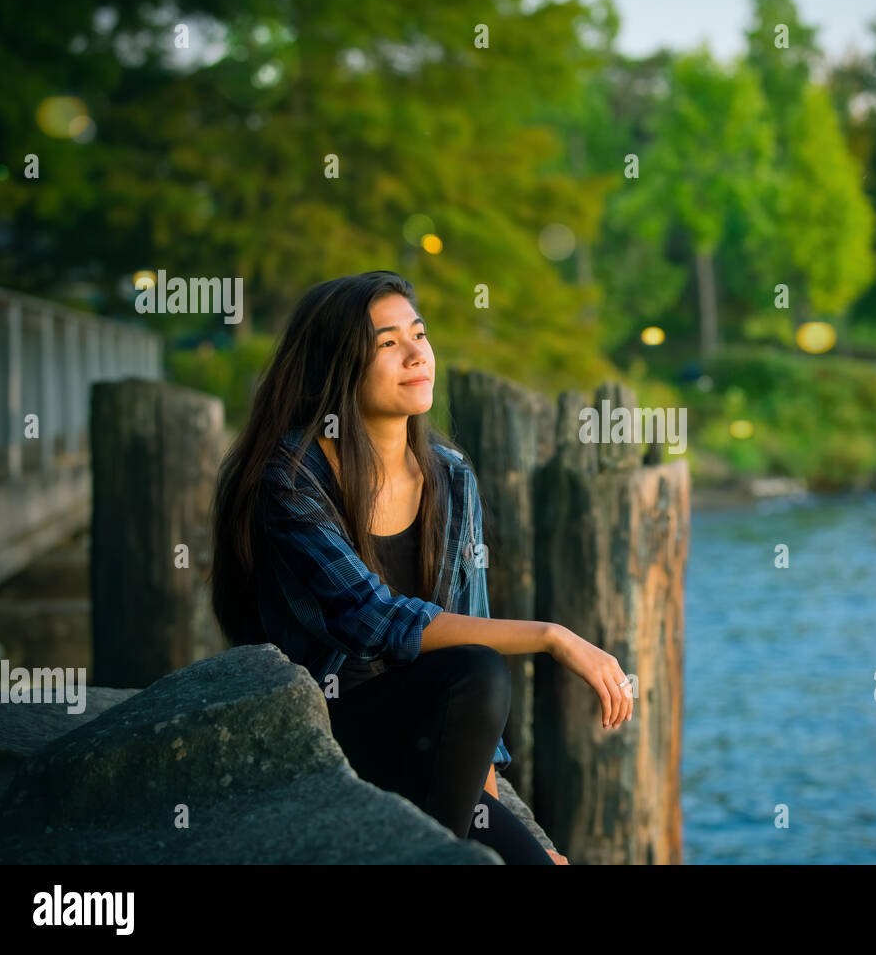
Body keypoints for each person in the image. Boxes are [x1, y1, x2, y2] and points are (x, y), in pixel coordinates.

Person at [210, 271, 635, 864]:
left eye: (419, 335)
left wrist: (502, 821)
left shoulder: (451, 476)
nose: (416, 355)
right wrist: (550, 636)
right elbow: (372, 618)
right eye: (388, 344)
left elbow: (468, 622)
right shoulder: (292, 477)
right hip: (324, 733)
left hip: (427, 735)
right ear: (339, 365)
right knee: (482, 669)